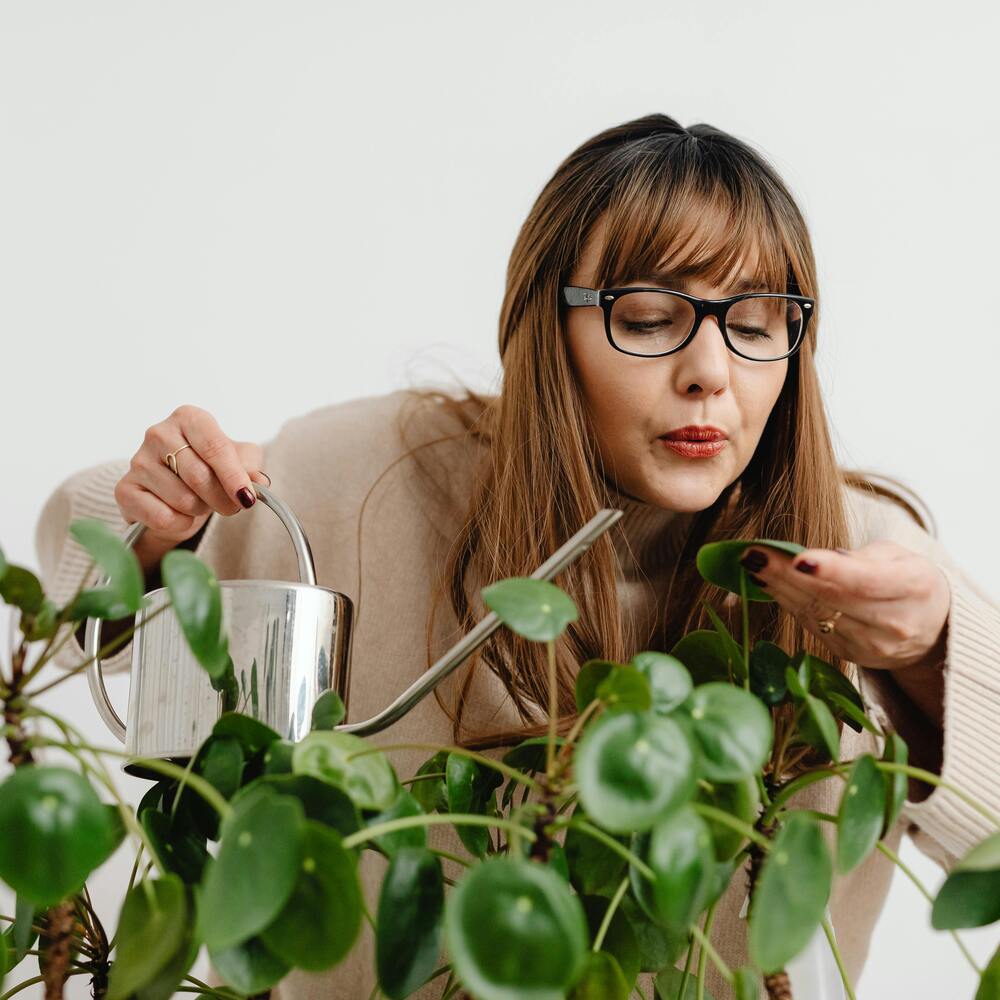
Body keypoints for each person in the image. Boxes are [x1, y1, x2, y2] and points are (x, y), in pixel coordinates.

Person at [34, 113, 1000, 1000]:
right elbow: (76, 577)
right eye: (651, 316)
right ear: (548, 323)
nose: (710, 370)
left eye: (755, 325)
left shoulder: (853, 557)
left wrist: (927, 651)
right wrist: (163, 527)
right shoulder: (368, 474)